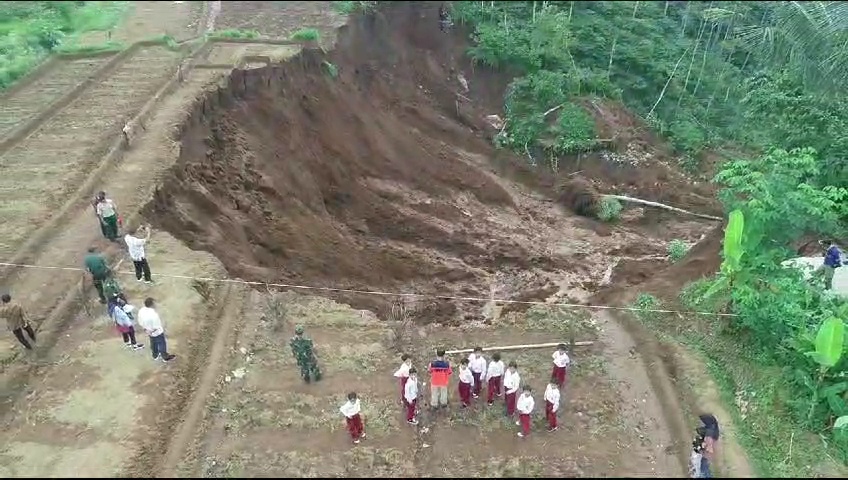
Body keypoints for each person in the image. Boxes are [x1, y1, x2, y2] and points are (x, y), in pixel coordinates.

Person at [137, 297, 176, 362]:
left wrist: (146, 330)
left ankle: (155, 355)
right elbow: (156, 326)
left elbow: (140, 322)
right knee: (162, 343)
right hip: (157, 332)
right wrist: (151, 331)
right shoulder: (154, 315)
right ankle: (165, 357)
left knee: (153, 343)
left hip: (148, 330)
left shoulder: (141, 310)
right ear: (152, 304)